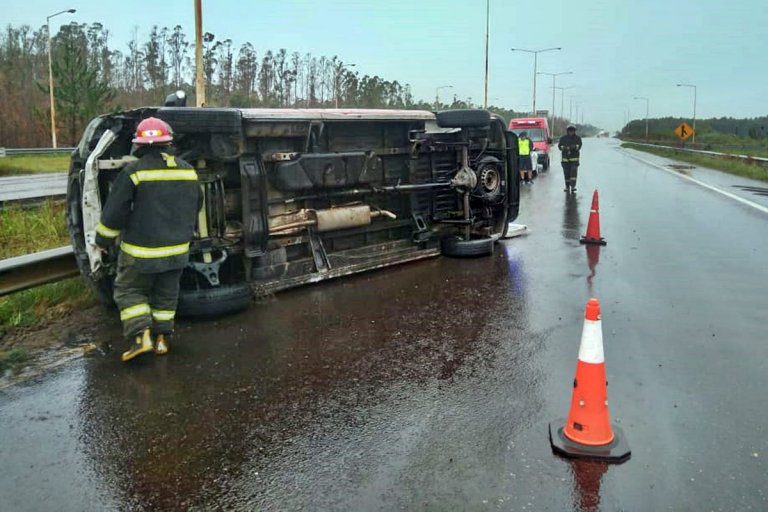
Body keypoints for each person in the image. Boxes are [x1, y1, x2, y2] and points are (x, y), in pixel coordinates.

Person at [94, 117, 201, 362]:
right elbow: (197, 204)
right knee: (166, 295)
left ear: (139, 145)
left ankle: (141, 337)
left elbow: (115, 212)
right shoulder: (188, 171)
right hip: (177, 251)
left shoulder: (134, 172)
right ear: (168, 142)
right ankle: (162, 340)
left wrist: (102, 239)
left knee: (129, 291)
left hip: (141, 252)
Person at [558, 125, 583, 193]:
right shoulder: (563, 138)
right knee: (566, 174)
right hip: (565, 160)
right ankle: (567, 186)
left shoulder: (578, 138)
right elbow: (559, 146)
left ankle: (573, 186)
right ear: (567, 131)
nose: (571, 132)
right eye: (570, 130)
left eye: (572, 130)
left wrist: (573, 147)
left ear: (574, 131)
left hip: (574, 160)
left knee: (573, 173)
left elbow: (579, 146)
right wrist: (565, 148)